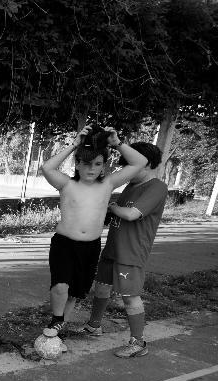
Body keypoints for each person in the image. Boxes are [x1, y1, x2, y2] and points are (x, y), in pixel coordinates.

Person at [40, 125, 148, 339]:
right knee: (60, 286)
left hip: (90, 247)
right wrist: (73, 145)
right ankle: (57, 320)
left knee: (74, 293)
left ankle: (58, 331)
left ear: (103, 166)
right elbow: (47, 168)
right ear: (77, 164)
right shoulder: (66, 183)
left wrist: (117, 143)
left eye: (98, 164)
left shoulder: (107, 184)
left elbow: (140, 162)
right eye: (86, 164)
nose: (92, 169)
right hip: (64, 244)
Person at [71, 142, 168, 357]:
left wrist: (112, 208)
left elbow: (132, 214)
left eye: (132, 167)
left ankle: (138, 343)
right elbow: (117, 215)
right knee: (102, 287)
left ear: (147, 164)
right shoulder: (131, 186)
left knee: (129, 297)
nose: (128, 172)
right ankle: (94, 325)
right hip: (113, 248)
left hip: (131, 253)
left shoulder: (157, 187)